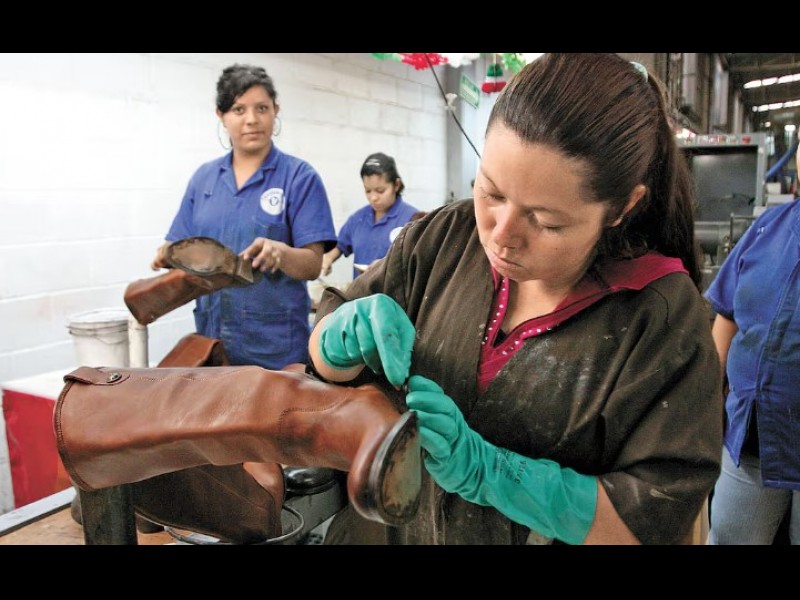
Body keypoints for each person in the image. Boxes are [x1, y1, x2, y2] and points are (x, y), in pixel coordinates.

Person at [307, 53, 723, 545]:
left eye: (546, 222)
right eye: (491, 193)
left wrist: (493, 472)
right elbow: (324, 355)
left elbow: (651, 515)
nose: (501, 236)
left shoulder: (660, 318)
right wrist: (337, 343)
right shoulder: (444, 238)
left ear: (622, 207)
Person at [151, 63, 337, 370]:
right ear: (221, 115)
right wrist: (168, 254)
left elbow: (313, 264)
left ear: (276, 111)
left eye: (261, 108)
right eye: (239, 109)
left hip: (275, 350)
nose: (252, 119)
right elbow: (178, 245)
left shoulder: (299, 177)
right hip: (213, 344)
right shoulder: (204, 180)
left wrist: (280, 253)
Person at [704, 132, 800, 545]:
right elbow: (727, 314)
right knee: (729, 536)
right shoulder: (768, 227)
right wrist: (707, 395)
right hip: (751, 437)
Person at [321, 152, 420, 279]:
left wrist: (385, 265)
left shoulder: (412, 219)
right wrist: (328, 259)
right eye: (368, 191)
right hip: (361, 290)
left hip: (393, 291)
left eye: (380, 191)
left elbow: (418, 262)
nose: (373, 198)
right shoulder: (358, 219)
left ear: (396, 185)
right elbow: (340, 245)